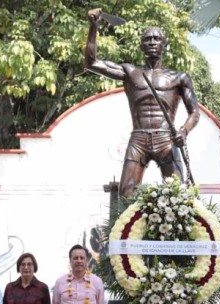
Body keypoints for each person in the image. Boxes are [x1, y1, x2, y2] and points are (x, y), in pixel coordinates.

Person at [85, 8, 201, 198]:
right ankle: (124, 228)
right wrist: (93, 27)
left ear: (164, 44)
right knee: (125, 196)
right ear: (142, 45)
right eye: (148, 39)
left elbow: (195, 112)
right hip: (138, 139)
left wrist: (184, 131)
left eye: (157, 39)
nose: (152, 42)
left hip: (166, 139)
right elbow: (92, 63)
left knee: (180, 196)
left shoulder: (179, 77)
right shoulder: (130, 73)